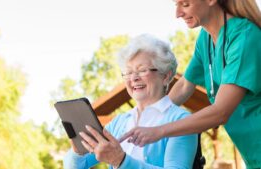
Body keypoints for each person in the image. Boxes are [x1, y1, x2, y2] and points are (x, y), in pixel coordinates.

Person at [119, 0, 261, 168]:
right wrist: (152, 117)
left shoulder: (244, 36)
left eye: (185, 4)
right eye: (176, 5)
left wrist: (159, 131)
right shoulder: (205, 39)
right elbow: (185, 85)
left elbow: (221, 112)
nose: (178, 13)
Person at [63, 34, 198, 169]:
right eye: (128, 72)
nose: (133, 78)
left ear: (166, 76)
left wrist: (121, 161)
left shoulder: (181, 120)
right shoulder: (118, 123)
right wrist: (77, 151)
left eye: (142, 70)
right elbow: (76, 166)